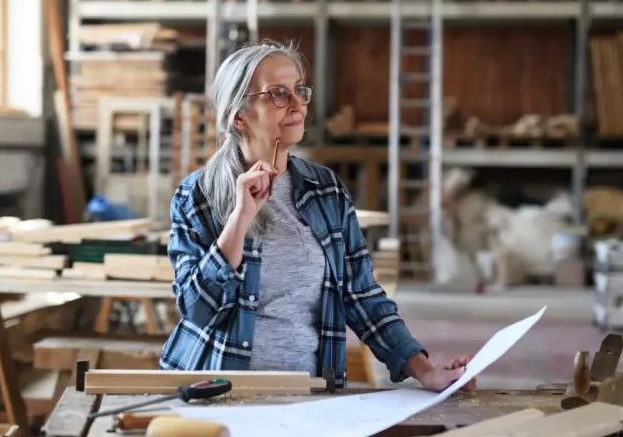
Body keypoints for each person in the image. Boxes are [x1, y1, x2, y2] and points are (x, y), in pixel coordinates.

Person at [159, 40, 477, 393]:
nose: (298, 105)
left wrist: (426, 371)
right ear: (239, 116)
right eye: (279, 94)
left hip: (309, 395)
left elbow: (362, 296)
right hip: (216, 391)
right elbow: (197, 310)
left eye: (300, 91)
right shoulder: (198, 196)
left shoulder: (326, 191)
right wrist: (239, 219)